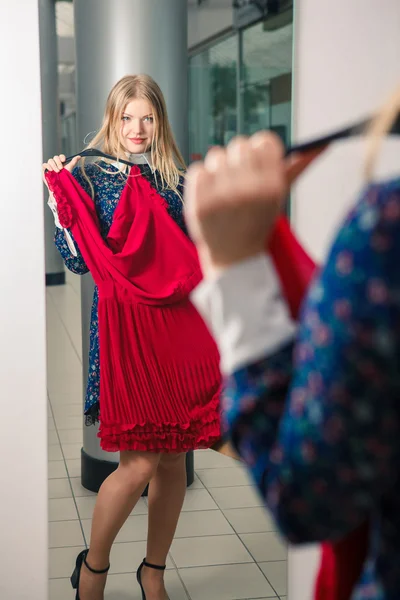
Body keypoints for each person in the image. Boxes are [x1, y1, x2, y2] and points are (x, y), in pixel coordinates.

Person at [184, 87, 400, 600]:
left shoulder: (388, 229)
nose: (138, 128)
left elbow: (308, 501)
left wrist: (234, 266)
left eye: (147, 117)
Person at [43, 74, 221, 600]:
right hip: (125, 333)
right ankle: (92, 571)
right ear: (111, 119)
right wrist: (62, 208)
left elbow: (193, 263)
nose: (137, 128)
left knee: (172, 459)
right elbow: (78, 261)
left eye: (147, 117)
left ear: (159, 120)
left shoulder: (179, 181)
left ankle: (153, 572)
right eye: (126, 117)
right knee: (137, 463)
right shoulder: (91, 176)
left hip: (174, 330)